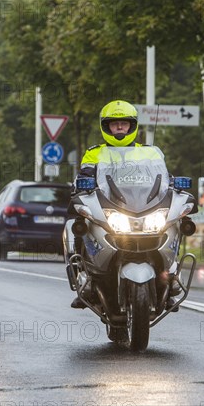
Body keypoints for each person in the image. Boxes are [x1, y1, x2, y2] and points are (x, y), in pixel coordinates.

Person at [70, 100, 181, 309]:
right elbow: (84, 176)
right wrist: (79, 188)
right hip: (110, 206)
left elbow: (164, 178)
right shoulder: (95, 153)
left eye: (124, 123)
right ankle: (84, 276)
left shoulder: (149, 152)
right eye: (114, 124)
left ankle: (171, 276)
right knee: (81, 222)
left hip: (142, 206)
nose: (120, 128)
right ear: (106, 127)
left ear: (132, 126)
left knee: (173, 222)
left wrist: (175, 188)